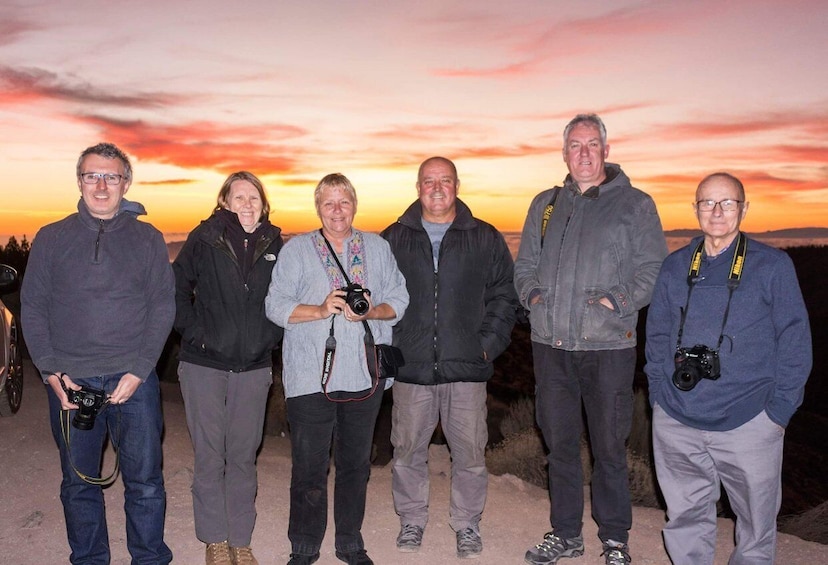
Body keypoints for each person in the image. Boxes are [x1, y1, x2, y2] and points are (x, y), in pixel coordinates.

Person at [515, 114, 668, 565]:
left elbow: (653, 271)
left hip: (608, 350)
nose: (584, 152)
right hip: (552, 348)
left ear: (606, 149)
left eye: (592, 144)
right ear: (564, 153)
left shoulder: (635, 205)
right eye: (575, 145)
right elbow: (524, 265)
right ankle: (565, 535)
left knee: (609, 450)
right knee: (559, 447)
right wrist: (534, 297)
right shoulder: (545, 204)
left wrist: (617, 301)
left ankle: (615, 539)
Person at [644, 172, 812, 564]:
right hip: (677, 419)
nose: (717, 211)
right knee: (685, 516)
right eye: (707, 203)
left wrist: (779, 412)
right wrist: (658, 397)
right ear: (695, 209)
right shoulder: (674, 266)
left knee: (755, 527)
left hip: (750, 421)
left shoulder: (773, 265)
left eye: (727, 203)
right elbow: (656, 334)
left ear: (744, 208)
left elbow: (795, 339)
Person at [21, 142, 175, 564]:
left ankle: (148, 558)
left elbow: (162, 306)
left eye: (111, 176)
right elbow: (33, 306)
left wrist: (141, 370)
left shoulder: (147, 239)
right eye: (92, 175)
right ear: (79, 181)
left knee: (145, 482)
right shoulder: (53, 237)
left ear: (126, 183)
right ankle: (89, 559)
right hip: (72, 383)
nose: (102, 185)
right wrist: (51, 372)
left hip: (134, 383)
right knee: (77, 483)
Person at [265, 173, 409, 565]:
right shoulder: (297, 250)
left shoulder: (377, 248)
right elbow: (274, 305)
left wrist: (371, 310)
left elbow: (400, 297)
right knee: (309, 467)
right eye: (328, 203)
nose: (337, 210)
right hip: (311, 375)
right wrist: (320, 308)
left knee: (354, 465)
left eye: (343, 201)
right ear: (318, 208)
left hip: (365, 375)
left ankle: (349, 543)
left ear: (354, 204)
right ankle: (305, 546)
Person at [381, 156, 518, 559]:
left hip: (467, 369)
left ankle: (467, 524)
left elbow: (504, 297)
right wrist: (392, 348)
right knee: (407, 450)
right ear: (417, 186)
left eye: (445, 180)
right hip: (412, 368)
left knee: (471, 454)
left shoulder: (484, 236)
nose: (437, 188)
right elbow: (377, 297)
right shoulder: (394, 237)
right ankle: (411, 520)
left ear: (457, 185)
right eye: (429, 181)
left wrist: (486, 346)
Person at [173, 171, 284, 565]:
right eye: (239, 197)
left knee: (242, 455)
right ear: (225, 202)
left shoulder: (275, 244)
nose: (247, 204)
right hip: (204, 363)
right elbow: (176, 289)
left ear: (263, 203)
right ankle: (215, 540)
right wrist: (197, 333)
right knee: (209, 455)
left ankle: (241, 539)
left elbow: (285, 298)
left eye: (253, 197)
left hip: (253, 367)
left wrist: (268, 337)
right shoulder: (204, 239)